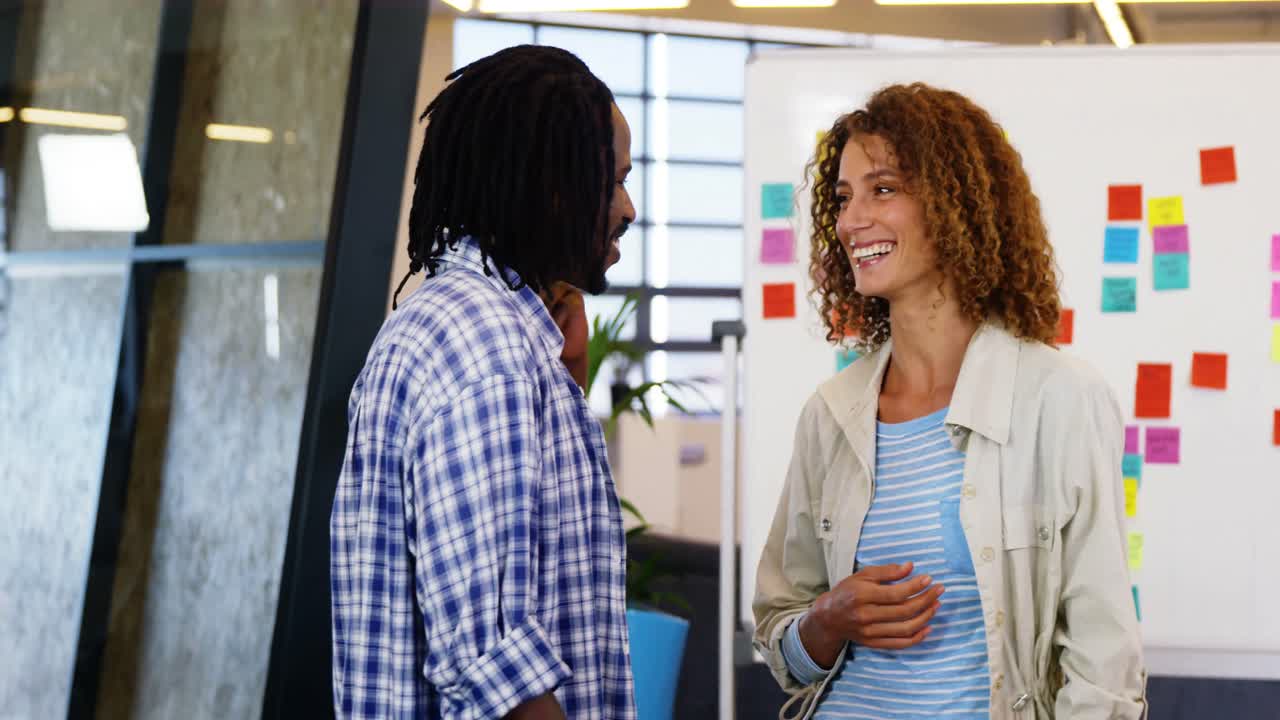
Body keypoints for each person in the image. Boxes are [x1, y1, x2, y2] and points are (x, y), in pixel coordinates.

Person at [752, 83, 1146, 719]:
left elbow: (1104, 664)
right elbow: (781, 634)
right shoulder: (832, 414)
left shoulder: (1059, 399)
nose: (852, 220)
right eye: (845, 197)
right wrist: (826, 621)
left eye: (884, 189)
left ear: (956, 203)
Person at [330, 45, 637, 720]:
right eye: (612, 181)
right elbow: (494, 668)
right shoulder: (487, 351)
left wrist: (568, 379)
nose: (628, 208)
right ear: (551, 186)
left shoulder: (460, 325)